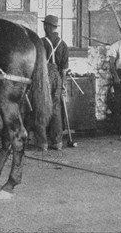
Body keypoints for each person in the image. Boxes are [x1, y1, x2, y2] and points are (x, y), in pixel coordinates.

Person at [40, 15, 69, 151]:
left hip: (43, 75)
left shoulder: (40, 42)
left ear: (47, 27)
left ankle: (43, 142)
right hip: (57, 75)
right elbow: (64, 68)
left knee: (42, 106)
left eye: (45, 25)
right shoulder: (63, 44)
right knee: (56, 108)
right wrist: (62, 83)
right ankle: (57, 142)